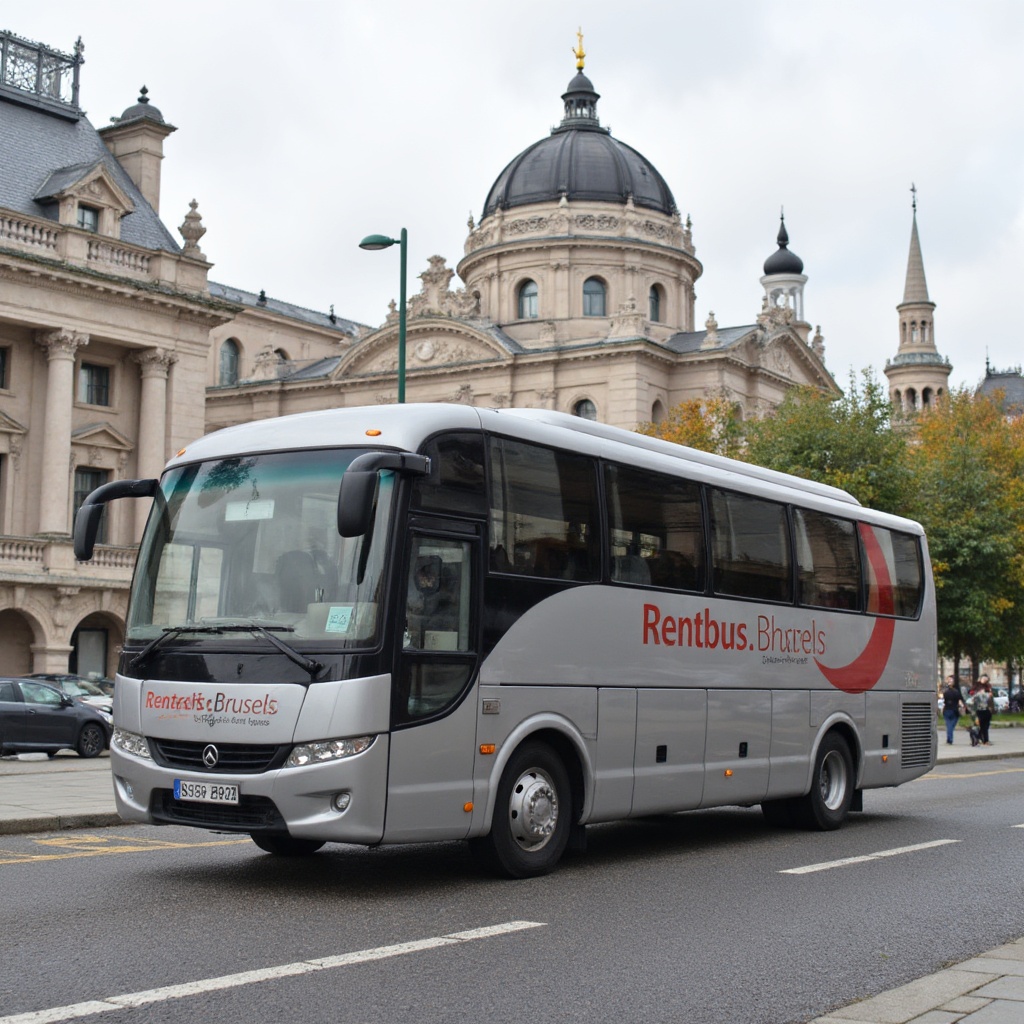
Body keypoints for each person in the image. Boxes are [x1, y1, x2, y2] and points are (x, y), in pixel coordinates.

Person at [941, 675, 967, 744]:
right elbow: (960, 700)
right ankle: (950, 739)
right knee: (951, 725)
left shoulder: (945, 690)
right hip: (954, 710)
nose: (949, 681)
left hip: (948, 709)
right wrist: (962, 706)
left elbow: (941, 697)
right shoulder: (956, 691)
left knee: (949, 725)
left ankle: (949, 738)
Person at [973, 675, 994, 746]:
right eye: (983, 678)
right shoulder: (976, 686)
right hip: (979, 709)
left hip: (987, 709)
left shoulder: (988, 687)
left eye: (986, 679)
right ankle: (983, 740)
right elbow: (972, 695)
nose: (984, 680)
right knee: (981, 725)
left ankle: (981, 739)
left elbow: (991, 697)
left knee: (985, 726)